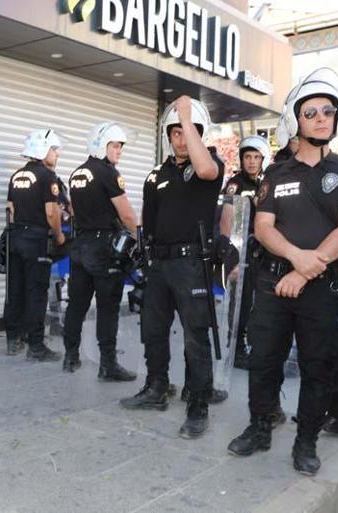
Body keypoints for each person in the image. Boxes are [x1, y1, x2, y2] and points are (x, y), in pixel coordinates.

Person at [227, 68, 338, 476]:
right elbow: (263, 228)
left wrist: (304, 270)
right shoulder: (276, 173)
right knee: (264, 360)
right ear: (295, 121)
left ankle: (306, 442)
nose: (322, 117)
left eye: (328, 110)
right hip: (271, 283)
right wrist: (295, 259)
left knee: (318, 364)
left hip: (320, 286)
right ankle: (260, 426)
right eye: (311, 112)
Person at [119, 96, 225, 440]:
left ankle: (198, 404)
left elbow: (206, 169)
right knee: (153, 329)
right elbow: (148, 221)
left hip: (191, 262)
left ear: (200, 133)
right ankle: (156, 388)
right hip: (158, 264)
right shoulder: (155, 174)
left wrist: (185, 112)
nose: (181, 137)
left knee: (196, 335)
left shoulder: (210, 167)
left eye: (188, 131)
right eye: (176, 132)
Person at [61, 122, 137, 382]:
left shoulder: (76, 173)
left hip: (80, 246)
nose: (119, 151)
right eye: (115, 145)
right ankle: (108, 365)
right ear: (100, 145)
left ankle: (70, 356)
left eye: (120, 146)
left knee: (77, 305)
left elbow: (73, 209)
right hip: (103, 248)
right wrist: (139, 240)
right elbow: (126, 214)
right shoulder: (107, 172)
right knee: (108, 308)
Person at [4, 129, 65, 361]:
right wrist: (59, 236)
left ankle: (13, 339)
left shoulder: (16, 176)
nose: (56, 154)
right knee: (37, 291)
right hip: (36, 240)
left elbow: (11, 209)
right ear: (42, 150)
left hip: (15, 238)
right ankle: (36, 346)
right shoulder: (48, 177)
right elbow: (52, 213)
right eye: (54, 149)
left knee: (14, 289)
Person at [222, 134, 270, 369]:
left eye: (256, 157)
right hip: (242, 249)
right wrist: (230, 256)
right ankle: (237, 349)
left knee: (262, 302)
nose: (251, 161)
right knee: (240, 301)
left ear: (263, 159)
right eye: (247, 157)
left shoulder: (267, 183)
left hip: (265, 251)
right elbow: (227, 219)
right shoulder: (235, 184)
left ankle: (257, 347)